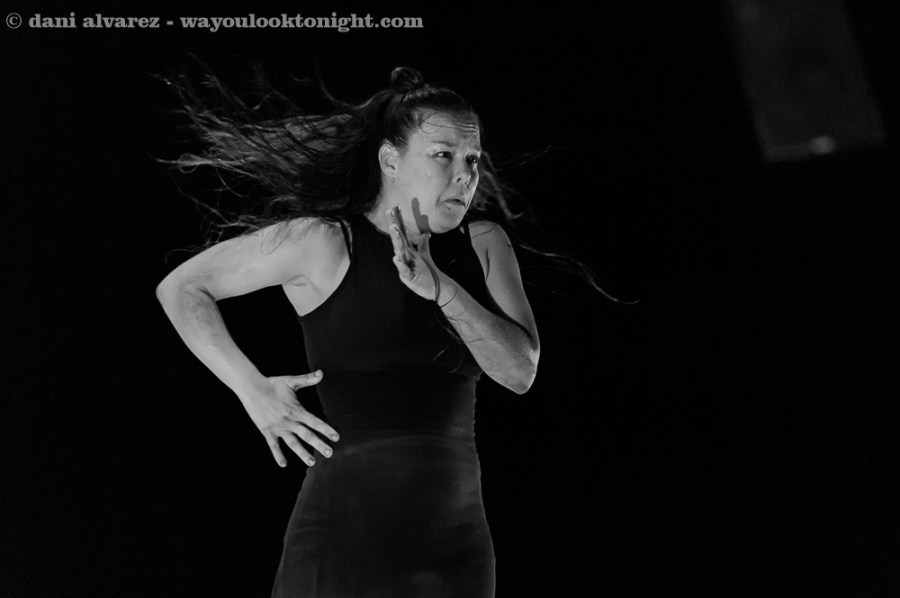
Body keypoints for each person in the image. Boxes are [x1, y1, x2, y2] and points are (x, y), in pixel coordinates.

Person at [155, 65, 539, 597]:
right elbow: (182, 287)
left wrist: (440, 287)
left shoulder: (484, 243)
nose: (464, 174)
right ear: (390, 160)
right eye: (443, 154)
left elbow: (520, 372)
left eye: (472, 158)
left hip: (456, 546)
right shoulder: (324, 241)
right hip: (344, 535)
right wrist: (252, 389)